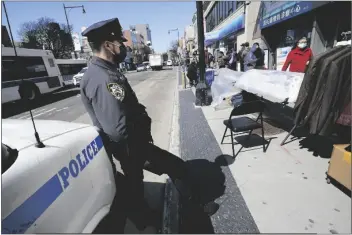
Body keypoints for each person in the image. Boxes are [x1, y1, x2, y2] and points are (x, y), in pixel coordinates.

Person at [80, 18, 194, 230]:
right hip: (132, 147)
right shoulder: (104, 78)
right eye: (120, 43)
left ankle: (144, 219)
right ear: (107, 45)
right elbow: (117, 128)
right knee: (177, 168)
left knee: (135, 186)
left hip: (130, 147)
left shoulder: (102, 71)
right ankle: (181, 212)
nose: (124, 47)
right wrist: (141, 148)